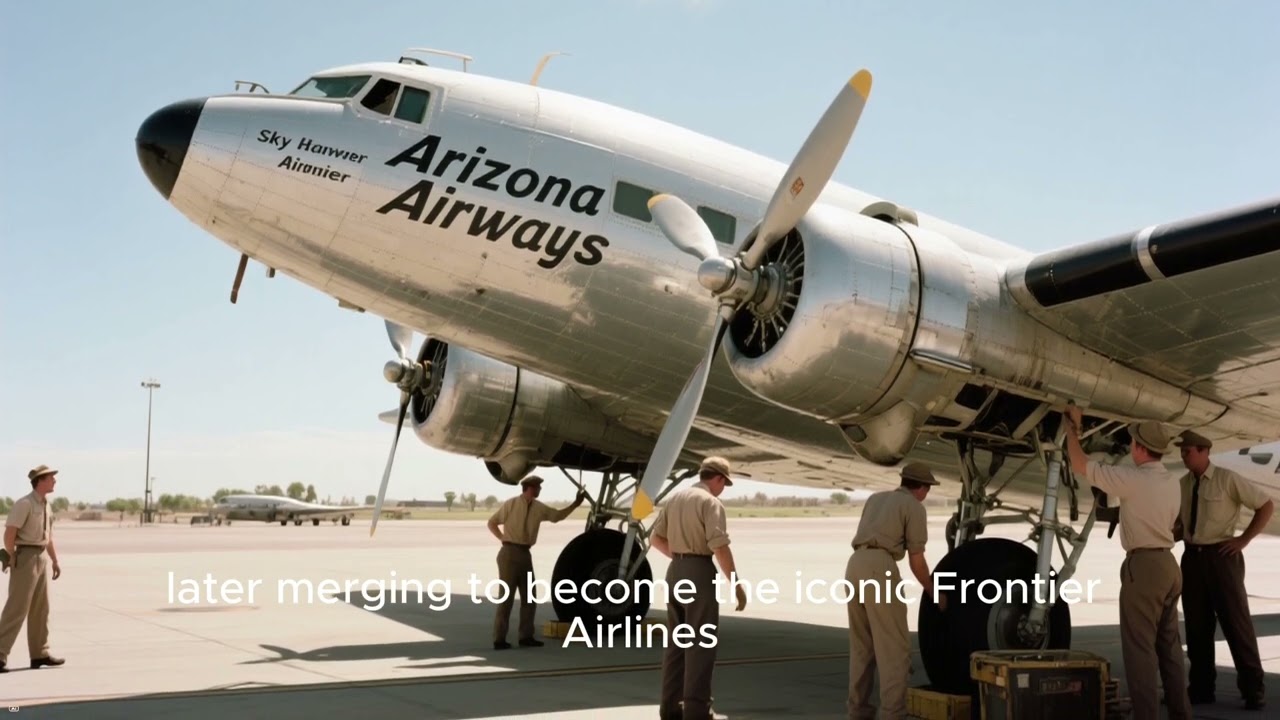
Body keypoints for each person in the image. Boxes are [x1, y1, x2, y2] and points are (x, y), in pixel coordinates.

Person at [1063, 407, 1191, 720]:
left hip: (1144, 568)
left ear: (1138, 447)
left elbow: (1079, 464)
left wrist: (1071, 430)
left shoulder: (1132, 479)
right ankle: (1181, 713)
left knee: (1140, 651)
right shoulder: (1172, 482)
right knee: (1170, 649)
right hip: (1169, 565)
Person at [1174, 429, 1272, 710]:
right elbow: (1183, 524)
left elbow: (1265, 505)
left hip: (1222, 557)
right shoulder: (1182, 484)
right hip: (1192, 558)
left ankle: (1253, 689)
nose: (1183, 455)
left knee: (1236, 625)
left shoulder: (1226, 479)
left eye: (1188, 451)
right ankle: (1202, 688)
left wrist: (1244, 539)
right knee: (1196, 627)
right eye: (1182, 451)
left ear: (1205, 451)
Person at [650, 456, 746, 720]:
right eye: (724, 483)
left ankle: (669, 708)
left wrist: (680, 556)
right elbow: (719, 546)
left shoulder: (676, 498)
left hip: (675, 572)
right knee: (701, 645)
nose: (722, 488)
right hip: (699, 571)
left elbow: (655, 538)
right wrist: (735, 583)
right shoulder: (710, 502)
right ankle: (696, 710)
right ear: (717, 479)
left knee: (676, 645)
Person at [844, 461, 939, 720]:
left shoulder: (876, 499)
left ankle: (857, 713)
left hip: (854, 565)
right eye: (927, 489)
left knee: (862, 648)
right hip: (880, 568)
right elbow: (916, 561)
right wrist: (935, 592)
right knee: (893, 650)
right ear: (921, 488)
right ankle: (892, 715)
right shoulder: (914, 507)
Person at [487, 475, 587, 650]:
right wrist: (503, 539)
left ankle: (526, 636)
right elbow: (492, 522)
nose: (540, 490)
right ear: (529, 488)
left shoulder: (539, 508)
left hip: (525, 554)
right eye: (538, 487)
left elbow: (557, 516)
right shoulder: (511, 504)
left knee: (529, 597)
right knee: (506, 598)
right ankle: (499, 639)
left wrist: (575, 504)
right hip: (509, 553)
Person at [0, 465, 65, 672]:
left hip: (41, 556)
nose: (54, 481)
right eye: (51, 478)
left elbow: (48, 537)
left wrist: (54, 560)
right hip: (26, 556)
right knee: (16, 608)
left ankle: (40, 653)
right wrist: (11, 556)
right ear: (40, 481)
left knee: (41, 608)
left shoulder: (46, 505)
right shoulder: (25, 504)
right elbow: (10, 533)